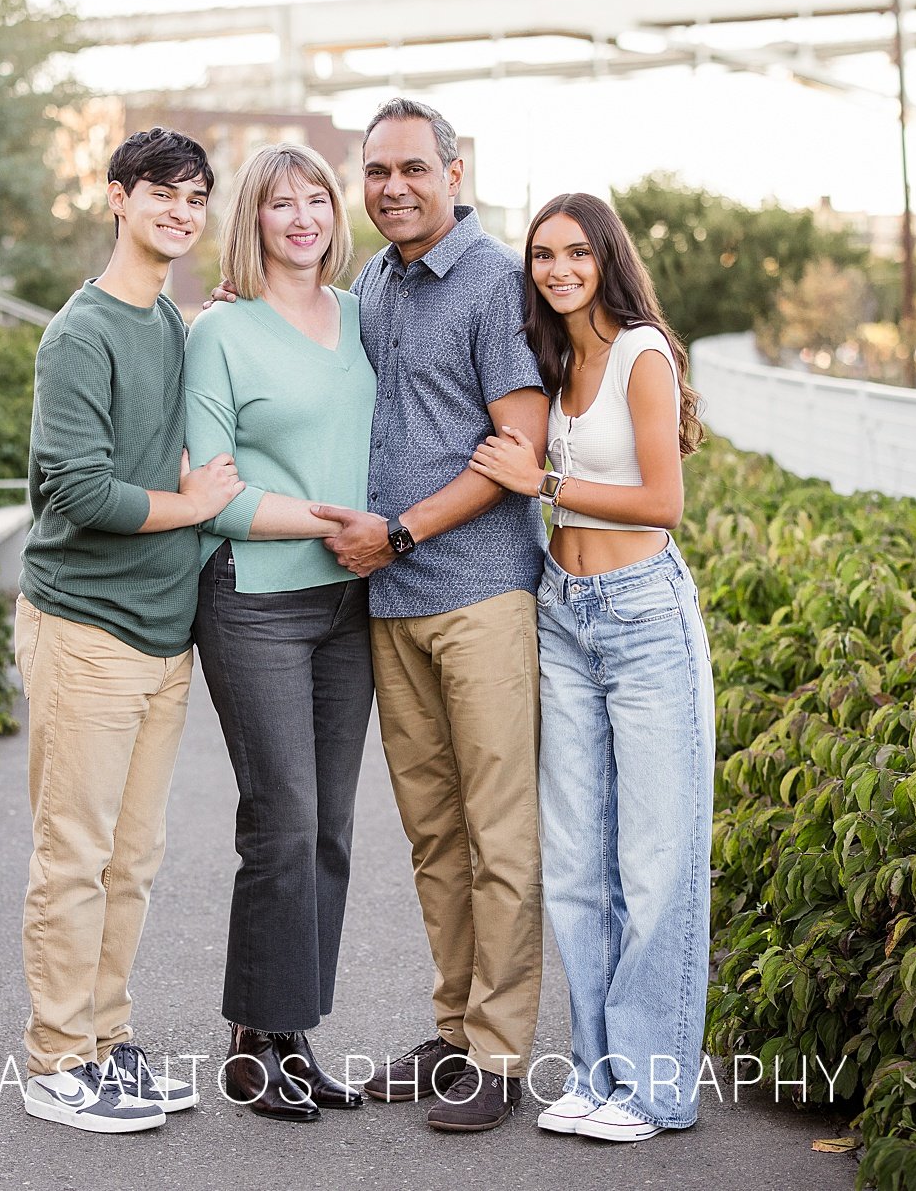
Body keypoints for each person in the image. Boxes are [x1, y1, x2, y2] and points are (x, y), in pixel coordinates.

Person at [297, 98, 551, 1134]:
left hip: (478, 594)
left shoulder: (496, 284)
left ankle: (497, 1051)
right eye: (376, 172)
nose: (391, 186)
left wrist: (396, 533)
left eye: (410, 167)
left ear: (453, 171)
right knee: (433, 833)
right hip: (389, 604)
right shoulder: (371, 284)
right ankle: (451, 1031)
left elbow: (514, 453)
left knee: (498, 833)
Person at [469, 191, 715, 1143]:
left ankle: (655, 1091)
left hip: (644, 614)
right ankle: (597, 1072)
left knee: (654, 862)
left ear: (607, 258)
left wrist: (546, 484)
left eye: (576, 252)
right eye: (542, 255)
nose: (558, 269)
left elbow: (665, 501)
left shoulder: (643, 354)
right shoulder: (556, 356)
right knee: (575, 860)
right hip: (564, 616)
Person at [15, 127, 243, 1135]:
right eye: (162, 193)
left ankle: (104, 1041)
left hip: (161, 635)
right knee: (74, 855)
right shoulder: (81, 332)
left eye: (195, 198)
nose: (181, 212)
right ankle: (53, 1059)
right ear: (116, 198)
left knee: (130, 859)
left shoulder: (169, 325)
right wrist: (190, 508)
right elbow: (72, 489)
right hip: (86, 630)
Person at [184, 143, 378, 1123]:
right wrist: (333, 525)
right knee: (283, 819)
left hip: (349, 606)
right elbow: (212, 493)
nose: (299, 217)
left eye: (314, 199)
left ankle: (295, 1031)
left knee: (332, 828)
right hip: (256, 594)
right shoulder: (219, 331)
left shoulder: (359, 316)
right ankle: (253, 1044)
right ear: (252, 221)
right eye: (278, 203)